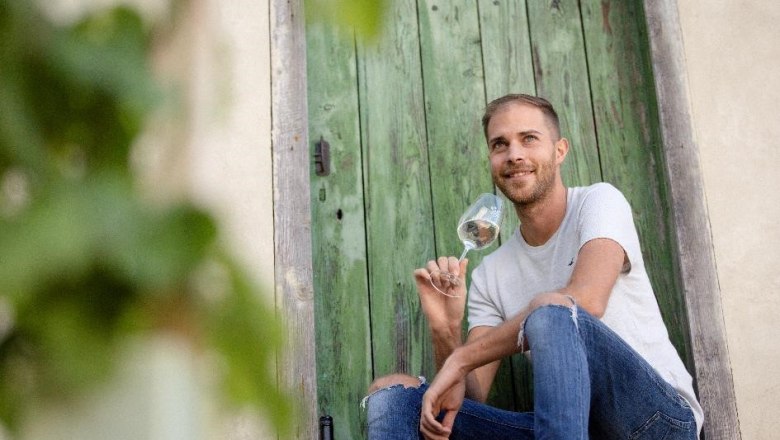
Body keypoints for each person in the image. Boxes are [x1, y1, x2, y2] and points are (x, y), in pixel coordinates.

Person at [363, 94, 703, 439]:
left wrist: (463, 358)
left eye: (529, 139)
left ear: (559, 151)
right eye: (500, 144)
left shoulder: (599, 202)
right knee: (392, 395)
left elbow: (587, 299)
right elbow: (472, 396)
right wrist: (446, 330)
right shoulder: (489, 275)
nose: (514, 154)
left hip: (656, 422)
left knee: (550, 308)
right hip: (563, 430)